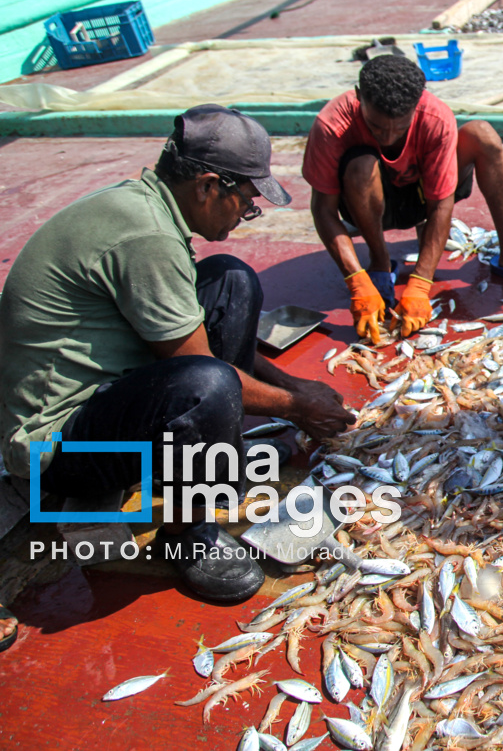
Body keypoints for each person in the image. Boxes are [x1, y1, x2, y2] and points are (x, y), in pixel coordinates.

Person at [0, 105, 355, 603]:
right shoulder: (146, 238)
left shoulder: (143, 207)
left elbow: (189, 339)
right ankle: (188, 538)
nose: (245, 214)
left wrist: (294, 386)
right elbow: (203, 370)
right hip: (57, 447)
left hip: (106, 386)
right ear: (208, 186)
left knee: (231, 280)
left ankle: (206, 454)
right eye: (246, 203)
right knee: (206, 389)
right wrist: (298, 407)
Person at [303, 55, 503, 343]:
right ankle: (379, 263)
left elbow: (441, 204)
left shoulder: (436, 117)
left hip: (421, 194)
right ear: (358, 95)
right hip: (366, 198)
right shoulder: (331, 125)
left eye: (400, 128)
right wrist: (356, 281)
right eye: (377, 127)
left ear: (418, 104)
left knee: (483, 135)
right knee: (361, 166)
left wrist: (421, 283)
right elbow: (323, 210)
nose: (388, 137)